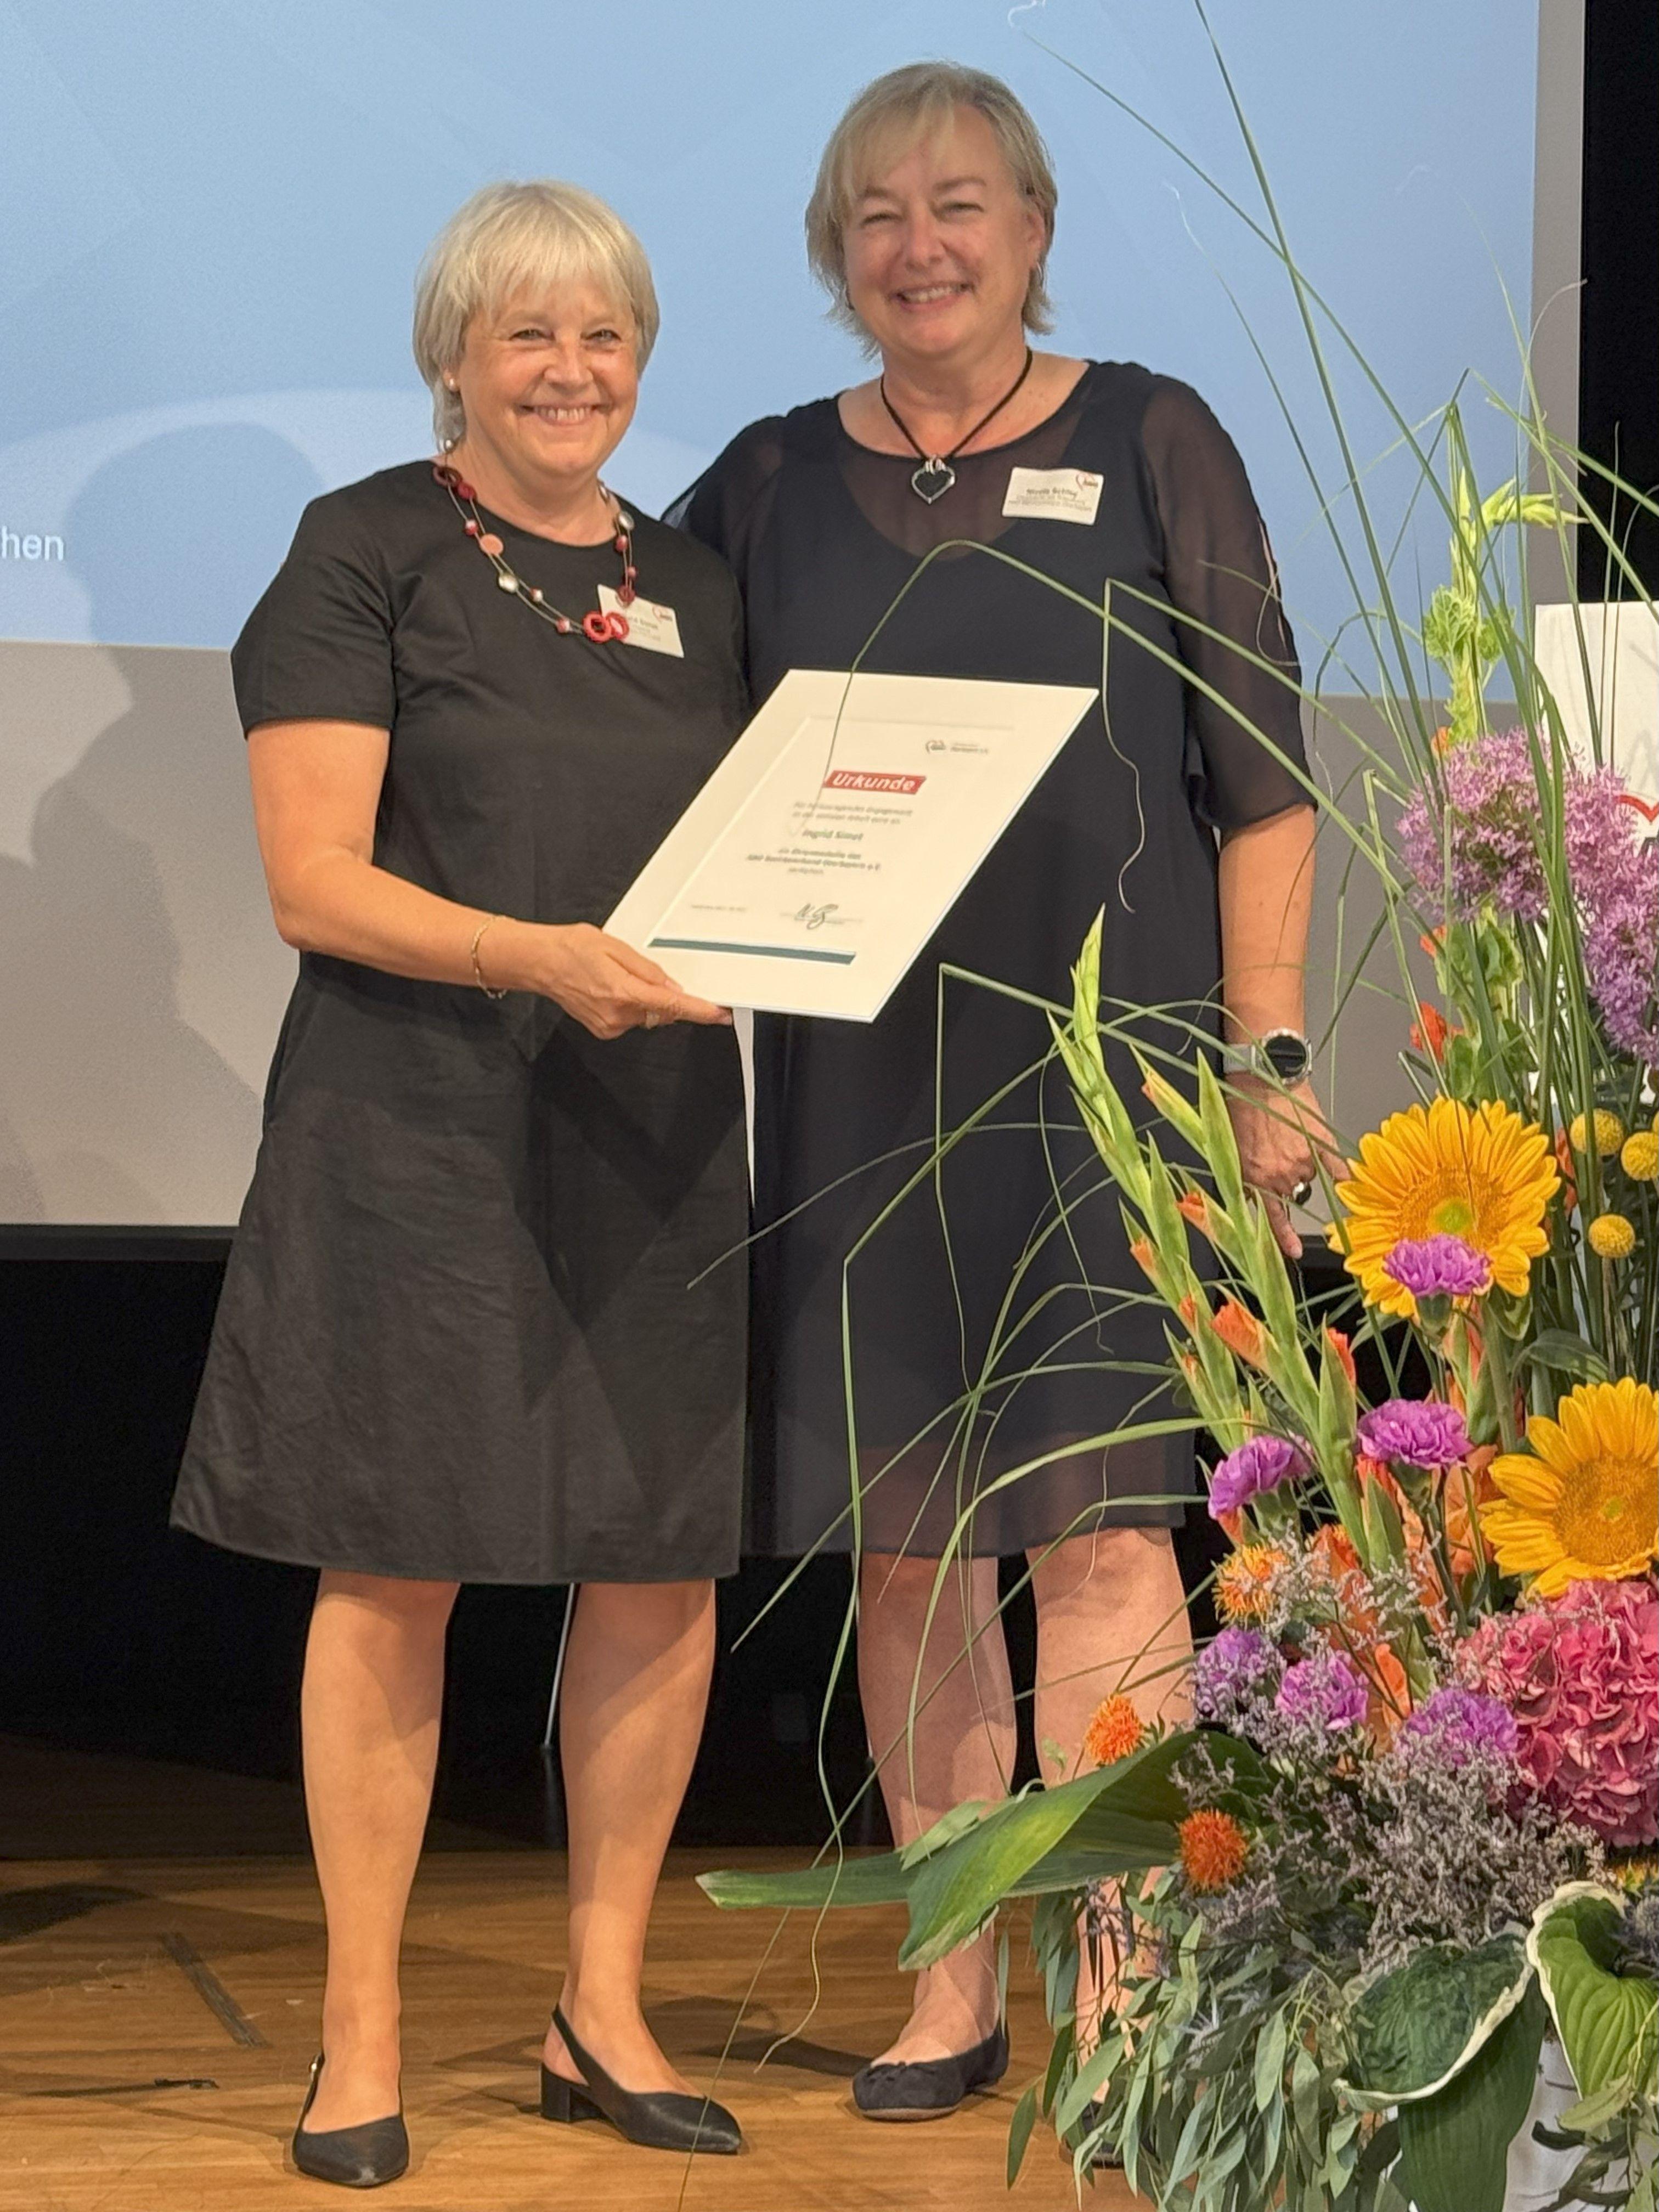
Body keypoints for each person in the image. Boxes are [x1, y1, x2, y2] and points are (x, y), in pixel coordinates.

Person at [672, 63, 1337, 2119]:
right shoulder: (765, 478)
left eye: (960, 204)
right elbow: (651, 740)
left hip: (1110, 1091)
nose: (921, 245)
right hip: (860, 1097)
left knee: (1112, 1548)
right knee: (905, 1552)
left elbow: (1265, 778)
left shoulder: (1153, 436)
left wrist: (1269, 1059)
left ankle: (1127, 2003)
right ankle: (951, 1988)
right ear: (833, 250)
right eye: (877, 213)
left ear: (1032, 229)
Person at [171, 180, 748, 2183]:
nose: (571, 370)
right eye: (528, 334)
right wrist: (532, 956)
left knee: (659, 1562)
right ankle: (359, 2039)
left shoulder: (700, 582)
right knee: (393, 1563)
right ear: (453, 358)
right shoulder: (366, 549)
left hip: (654, 1129)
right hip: (412, 1130)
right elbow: (310, 880)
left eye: (605, 333)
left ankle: (603, 2007)